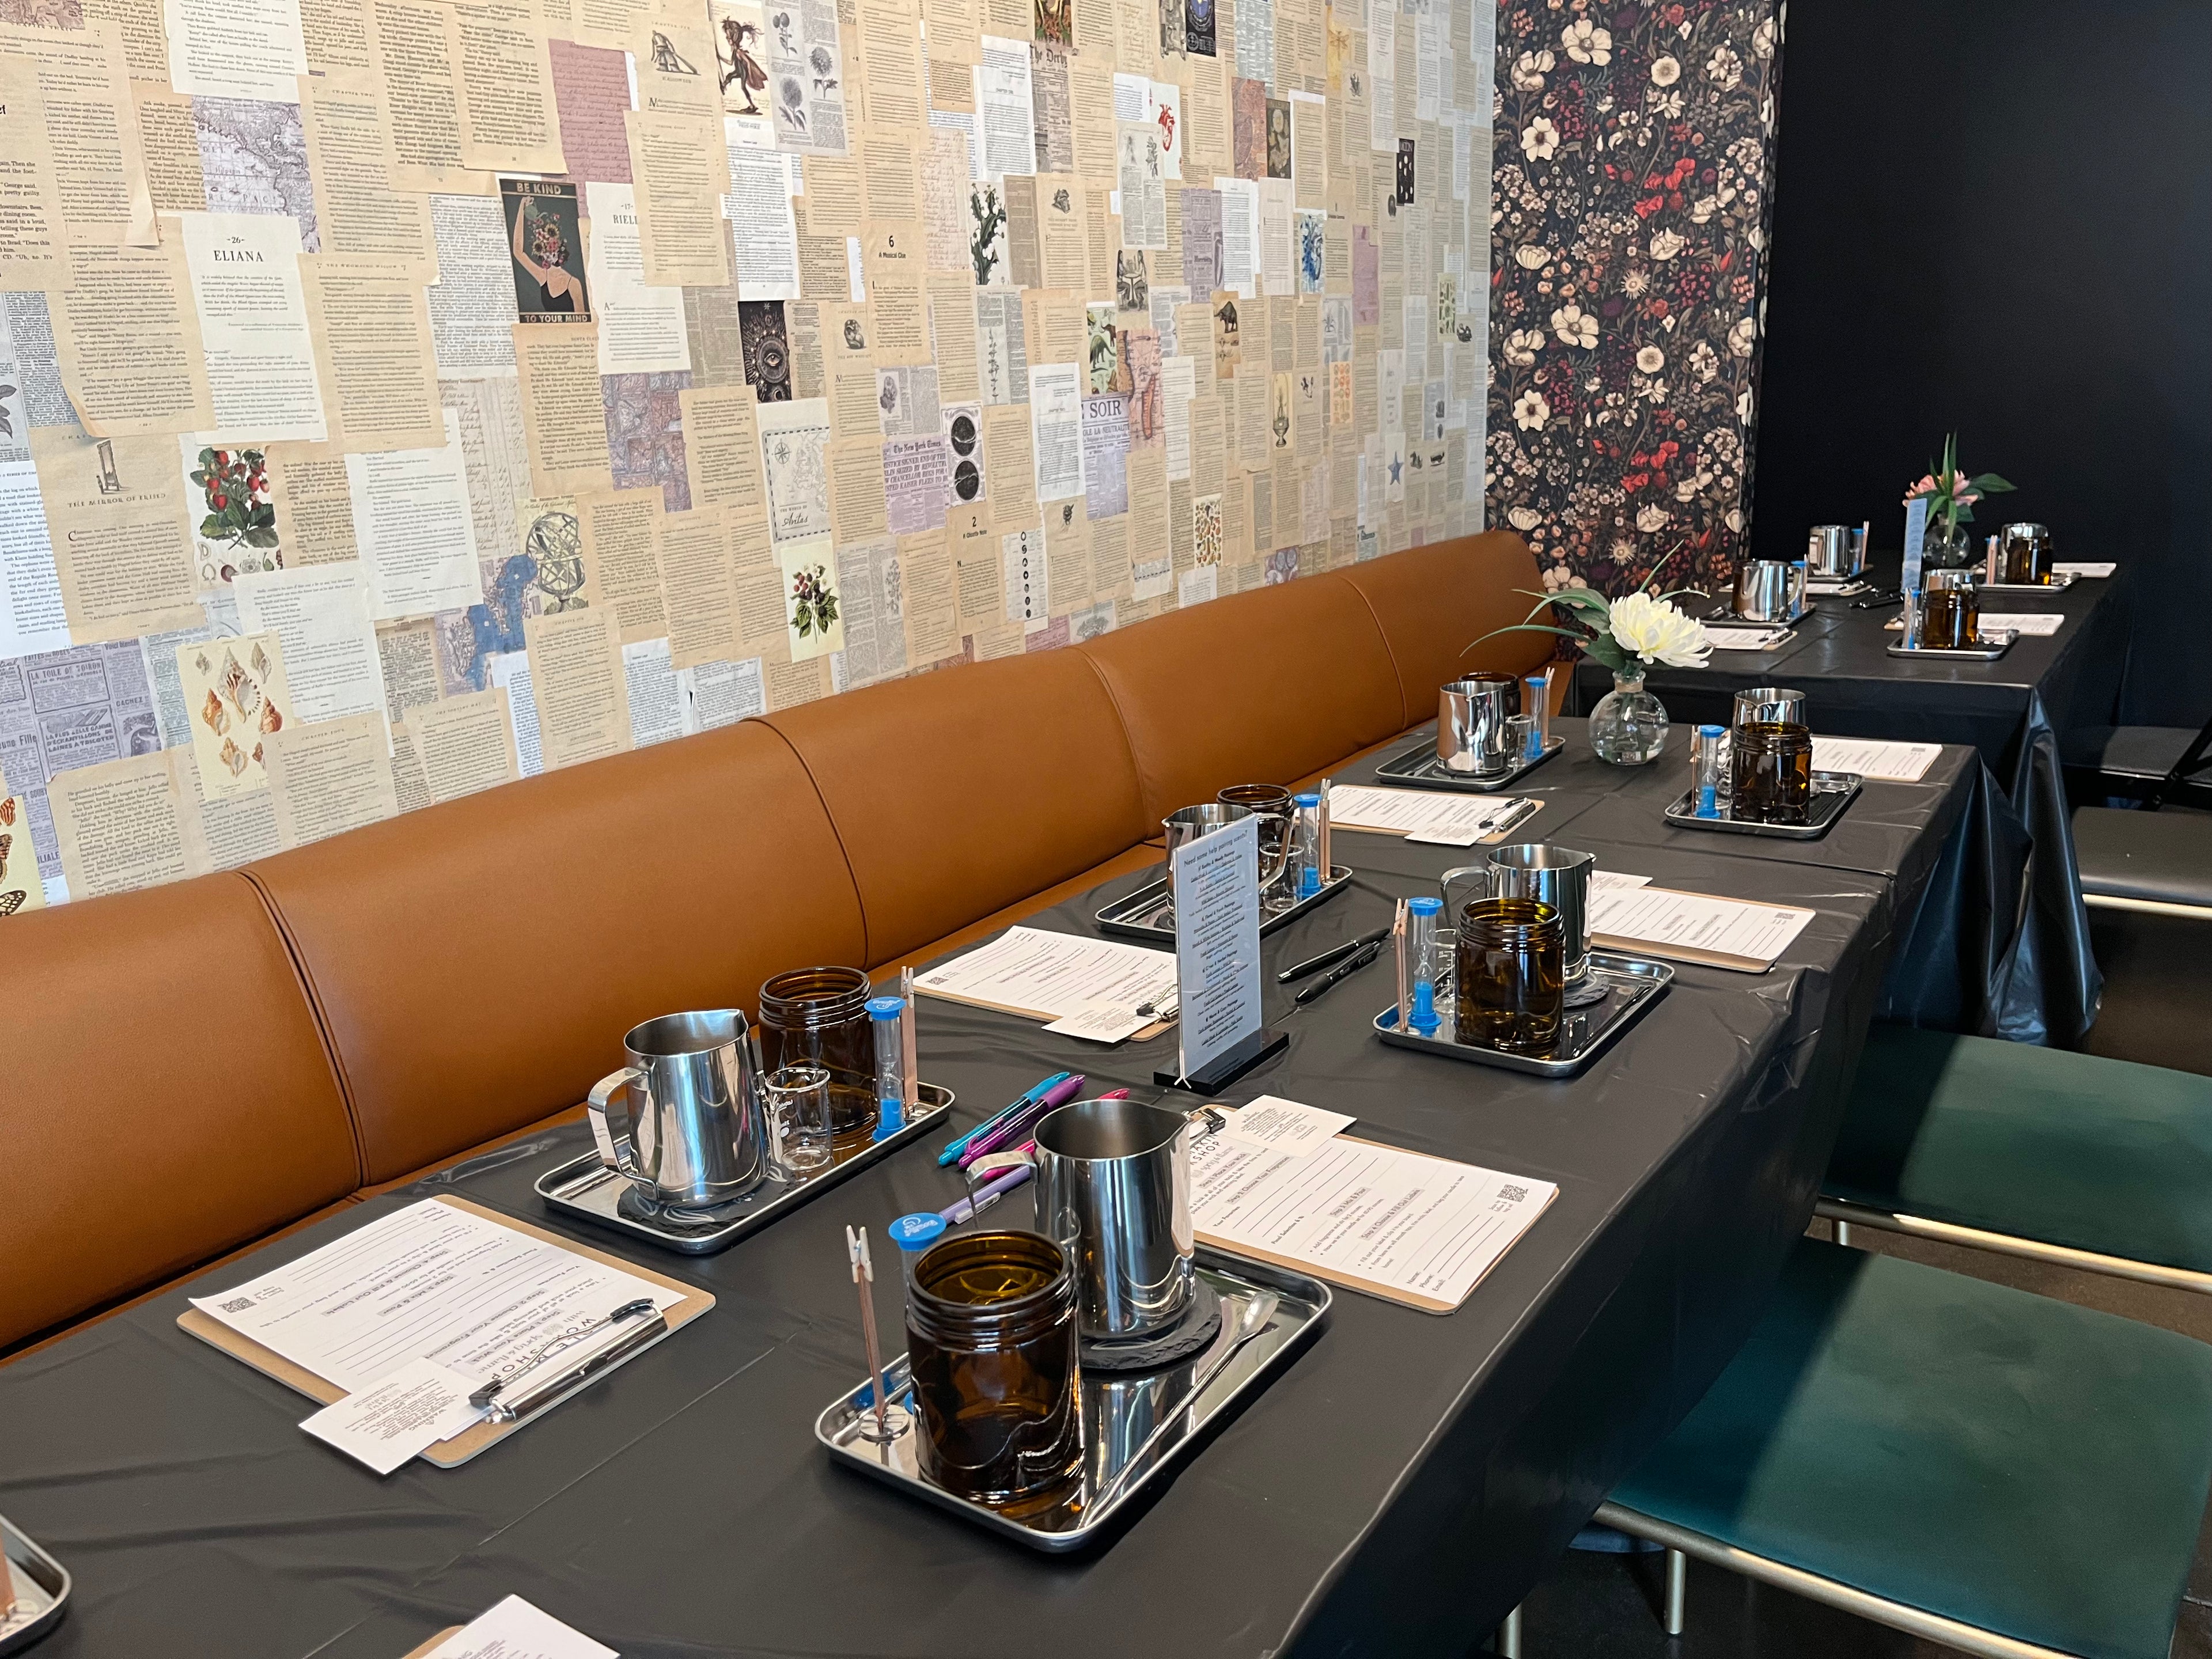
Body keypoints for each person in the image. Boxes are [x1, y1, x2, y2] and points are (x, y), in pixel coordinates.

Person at [511, 202, 584, 316]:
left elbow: (583, 325)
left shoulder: (574, 284)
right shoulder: (543, 276)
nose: (549, 252)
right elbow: (517, 250)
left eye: (552, 246)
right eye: (544, 248)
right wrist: (522, 207)